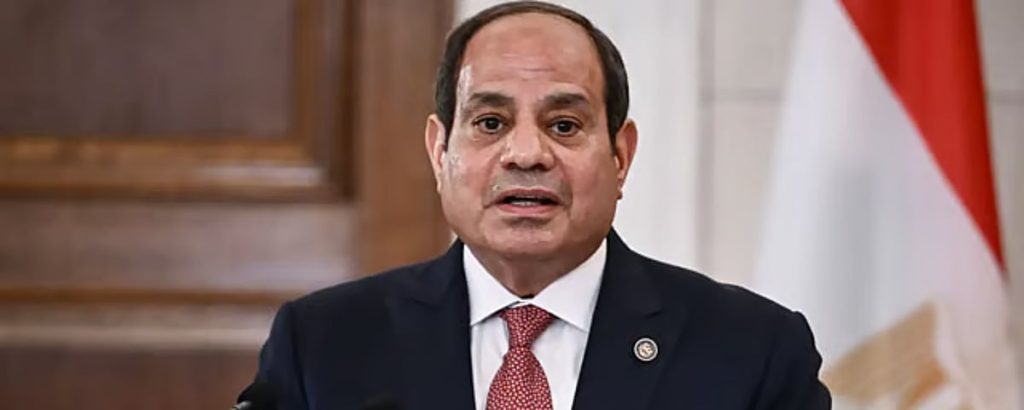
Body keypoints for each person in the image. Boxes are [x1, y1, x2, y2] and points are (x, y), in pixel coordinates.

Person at [250, 2, 831, 409]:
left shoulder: (751, 350)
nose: (526, 153)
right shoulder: (324, 345)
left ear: (621, 155)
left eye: (564, 124)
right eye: (490, 122)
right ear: (439, 151)